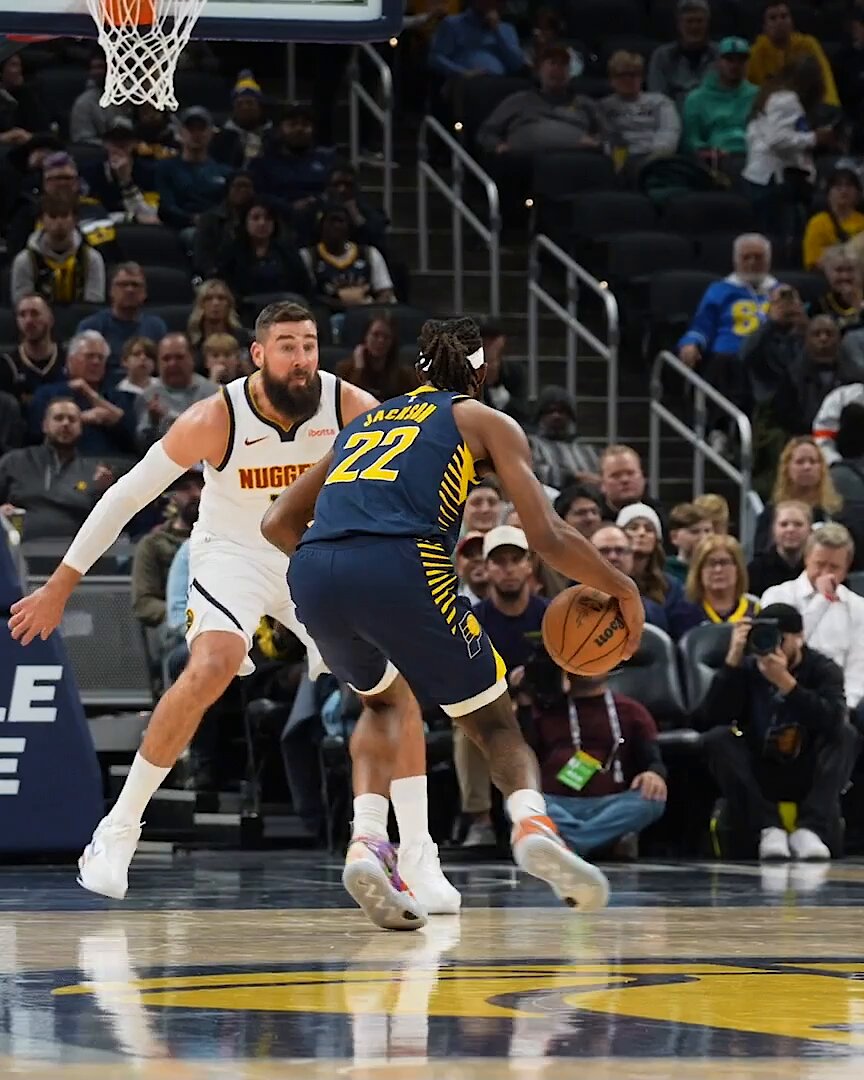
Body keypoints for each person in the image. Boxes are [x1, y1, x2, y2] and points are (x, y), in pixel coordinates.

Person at [7, 301, 459, 916]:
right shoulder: (214, 416)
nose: (301, 359)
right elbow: (125, 495)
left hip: (312, 556)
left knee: (391, 688)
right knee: (213, 663)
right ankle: (117, 832)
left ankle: (417, 857)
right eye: (287, 346)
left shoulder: (350, 405)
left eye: (309, 345)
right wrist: (60, 584)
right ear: (258, 353)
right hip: (233, 555)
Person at [261, 316, 645, 929]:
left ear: (421, 366)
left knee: (383, 704)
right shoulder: (481, 419)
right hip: (401, 563)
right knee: (495, 726)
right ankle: (532, 825)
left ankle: (366, 841)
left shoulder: (365, 422)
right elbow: (546, 534)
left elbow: (277, 521)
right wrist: (621, 587)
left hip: (314, 569)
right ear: (481, 370)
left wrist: (335, 566)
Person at [701, 603, 855, 861]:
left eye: (779, 638)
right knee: (717, 738)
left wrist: (787, 684)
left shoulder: (823, 668)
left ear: (799, 638)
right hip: (760, 766)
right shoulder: (748, 667)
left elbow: (833, 719)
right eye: (762, 637)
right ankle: (768, 827)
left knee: (846, 734)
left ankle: (810, 829)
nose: (771, 646)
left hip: (806, 767)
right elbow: (709, 718)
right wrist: (732, 663)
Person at [747, 499, 811, 596]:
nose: (790, 529)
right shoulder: (755, 570)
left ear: (810, 529)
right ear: (773, 529)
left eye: (798, 524)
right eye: (784, 524)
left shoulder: (817, 569)